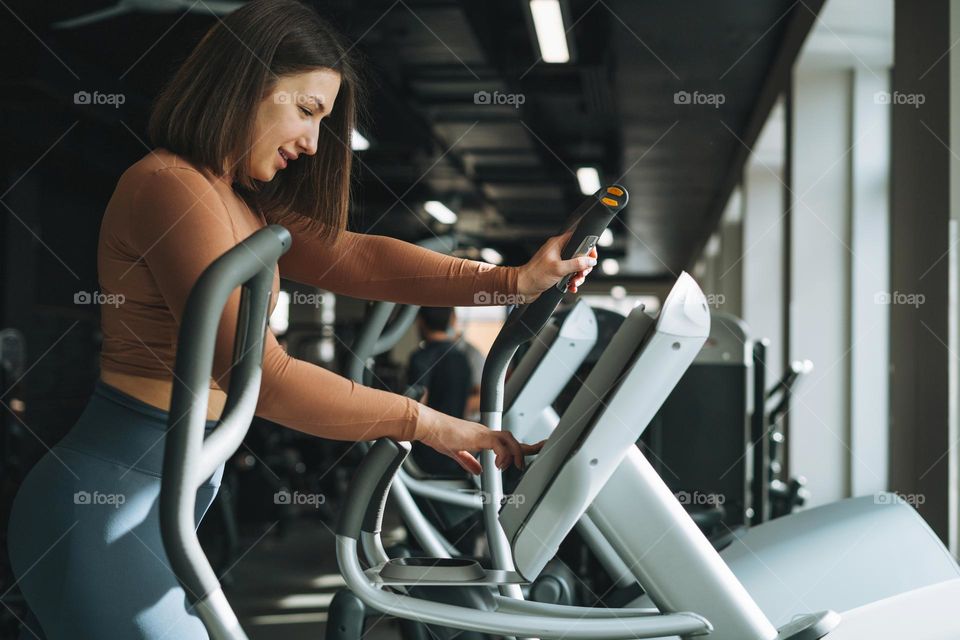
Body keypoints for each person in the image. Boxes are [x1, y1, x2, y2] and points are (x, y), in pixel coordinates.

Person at [5, 1, 599, 638]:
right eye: (307, 111)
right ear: (242, 86)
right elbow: (263, 377)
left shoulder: (239, 202)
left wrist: (514, 283)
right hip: (104, 508)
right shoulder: (170, 185)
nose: (314, 143)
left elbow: (356, 257)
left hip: (155, 498)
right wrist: (425, 423)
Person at [408, 307, 475, 476]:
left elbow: (417, 406)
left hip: (428, 453)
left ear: (420, 322)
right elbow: (465, 405)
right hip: (458, 451)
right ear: (452, 320)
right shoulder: (461, 358)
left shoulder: (421, 358)